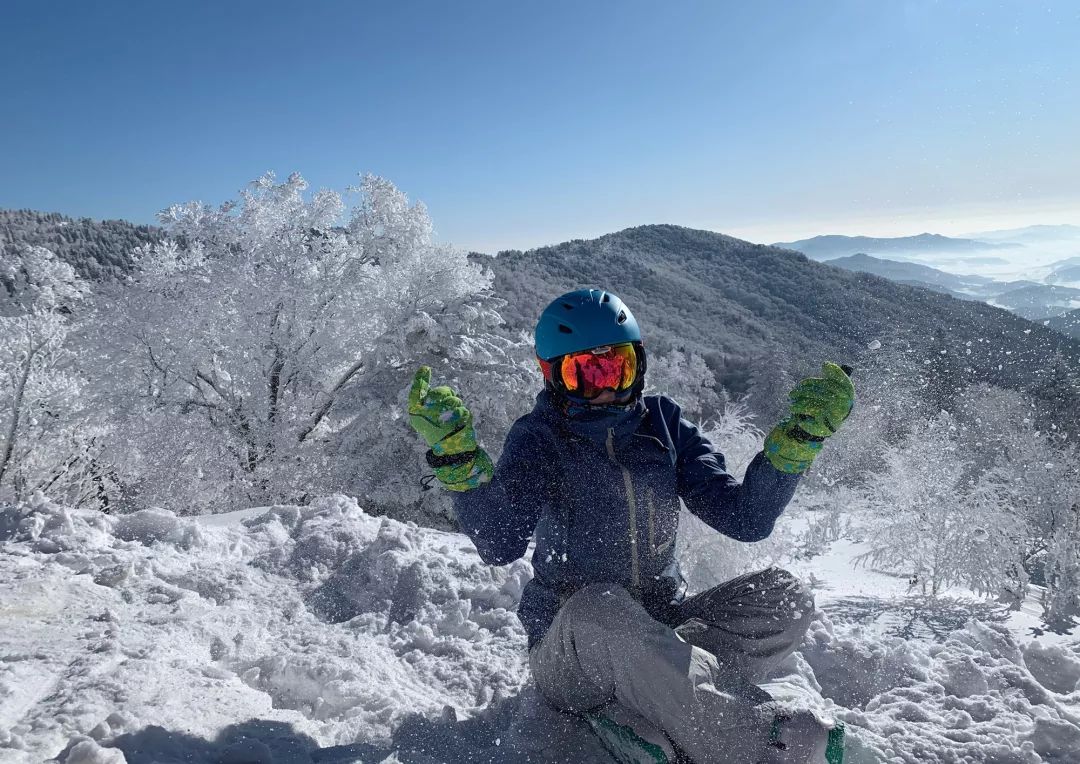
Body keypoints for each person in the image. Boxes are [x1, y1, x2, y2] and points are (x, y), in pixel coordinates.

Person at [407, 289, 854, 763]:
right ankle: (762, 746)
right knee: (604, 608)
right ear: (553, 377)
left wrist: (793, 451)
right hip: (573, 647)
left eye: (616, 368)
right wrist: (460, 462)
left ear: (638, 364)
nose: (605, 389)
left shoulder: (664, 424)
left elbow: (745, 519)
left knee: (785, 596)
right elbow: (501, 543)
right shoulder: (541, 438)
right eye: (584, 374)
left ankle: (655, 702)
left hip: (659, 623)